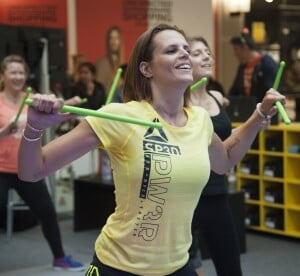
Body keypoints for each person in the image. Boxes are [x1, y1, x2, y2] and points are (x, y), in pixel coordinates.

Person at [18, 24, 285, 276]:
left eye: (185, 49)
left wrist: (259, 113)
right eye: (171, 50)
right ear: (146, 69)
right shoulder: (118, 117)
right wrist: (34, 128)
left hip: (177, 266)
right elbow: (33, 171)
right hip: (118, 265)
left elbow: (224, 160)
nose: (184, 53)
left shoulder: (199, 120)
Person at [0, 54, 85, 272]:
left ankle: (60, 258)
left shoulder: (33, 99)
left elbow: (51, 112)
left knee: (48, 213)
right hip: (0, 169)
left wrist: (69, 106)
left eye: (21, 72)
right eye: (13, 72)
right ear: (3, 76)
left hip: (26, 170)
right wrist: (4, 132)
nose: (18, 76)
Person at [188, 37, 243, 276]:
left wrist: (256, 121)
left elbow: (225, 142)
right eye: (198, 53)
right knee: (190, 266)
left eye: (207, 52)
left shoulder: (217, 98)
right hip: (188, 195)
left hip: (218, 193)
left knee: (231, 267)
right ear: (184, 61)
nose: (207, 57)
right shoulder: (176, 102)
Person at [228, 31, 278, 102]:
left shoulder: (267, 64)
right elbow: (235, 89)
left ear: (245, 48)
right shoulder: (242, 67)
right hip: (248, 108)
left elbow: (271, 89)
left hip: (265, 108)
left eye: (236, 49)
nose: (234, 53)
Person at [95, 26, 124, 94]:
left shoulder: (123, 64)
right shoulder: (101, 64)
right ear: (108, 41)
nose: (114, 41)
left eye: (117, 38)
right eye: (111, 38)